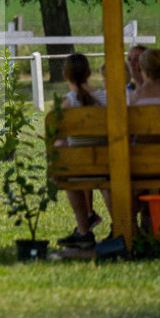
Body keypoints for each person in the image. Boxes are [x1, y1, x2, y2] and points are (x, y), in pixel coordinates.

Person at [57, 53, 110, 250]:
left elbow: (55, 137)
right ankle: (121, 229)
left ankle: (83, 230)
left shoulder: (68, 103)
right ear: (89, 72)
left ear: (64, 75)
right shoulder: (105, 98)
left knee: (67, 173)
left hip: (78, 167)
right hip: (107, 164)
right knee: (107, 182)